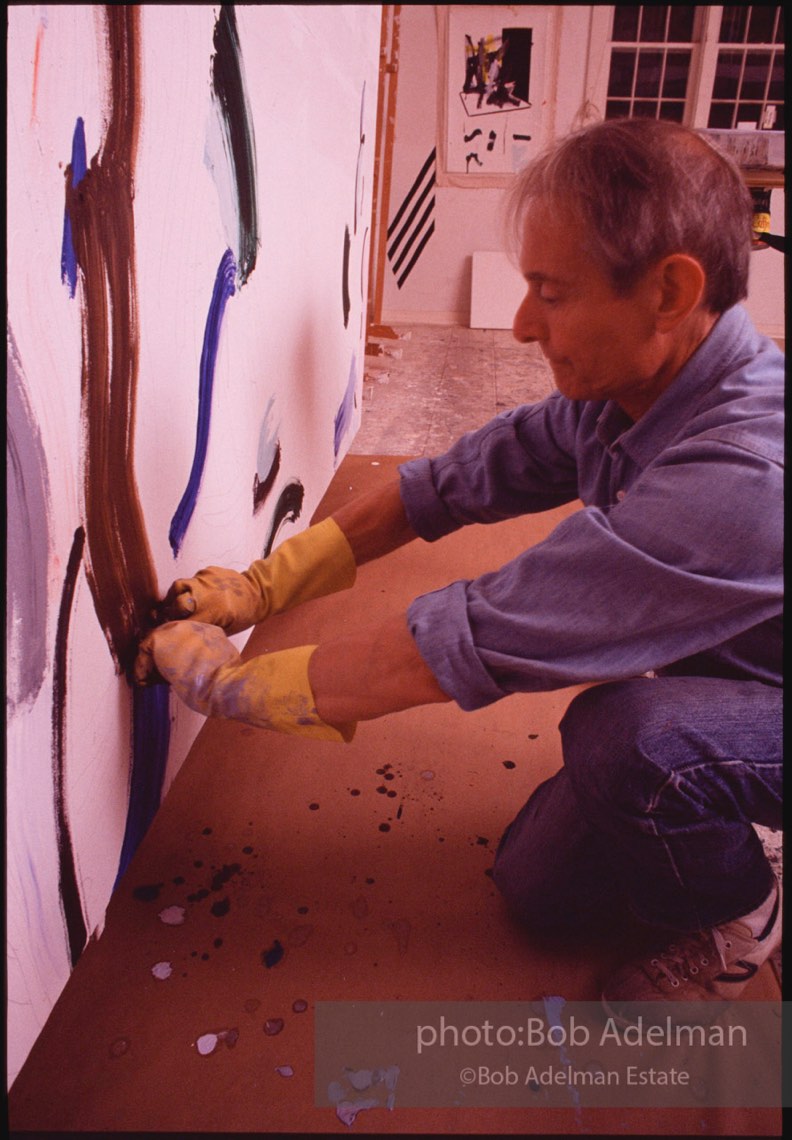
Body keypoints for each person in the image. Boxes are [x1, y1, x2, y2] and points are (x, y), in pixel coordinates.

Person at [136, 118, 783, 1017]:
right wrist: (265, 584)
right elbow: (450, 484)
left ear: (670, 292)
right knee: (537, 887)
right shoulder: (633, 391)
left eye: (551, 294)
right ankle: (720, 797)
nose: (519, 326)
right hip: (740, 669)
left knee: (631, 740)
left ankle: (743, 909)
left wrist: (232, 687)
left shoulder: (743, 477)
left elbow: (472, 635)